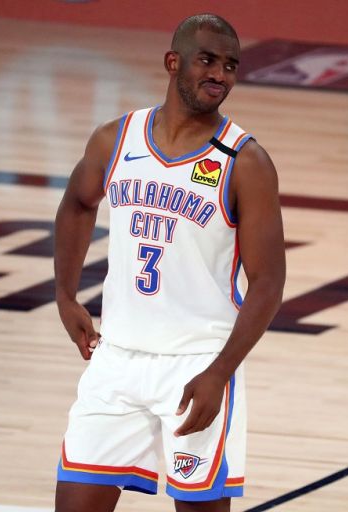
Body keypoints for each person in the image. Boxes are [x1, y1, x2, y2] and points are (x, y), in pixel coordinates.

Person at [53, 13, 285, 512]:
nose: (219, 75)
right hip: (115, 358)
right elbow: (77, 203)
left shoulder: (245, 161)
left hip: (197, 363)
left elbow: (268, 282)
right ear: (173, 62)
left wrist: (221, 372)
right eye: (207, 60)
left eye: (230, 66)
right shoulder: (116, 139)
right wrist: (65, 294)